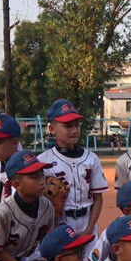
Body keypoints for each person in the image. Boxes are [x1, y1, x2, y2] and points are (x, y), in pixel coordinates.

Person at [38, 99, 107, 236]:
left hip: (87, 221)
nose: (74, 130)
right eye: (68, 126)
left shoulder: (91, 158)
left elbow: (98, 198)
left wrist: (89, 229)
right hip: (60, 223)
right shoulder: (43, 161)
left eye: (77, 125)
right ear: (52, 129)